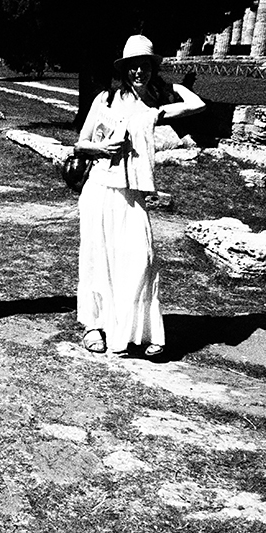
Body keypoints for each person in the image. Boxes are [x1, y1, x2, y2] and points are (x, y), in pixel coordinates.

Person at [74, 35, 205, 357]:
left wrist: (171, 83)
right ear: (124, 69)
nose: (139, 73)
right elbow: (80, 143)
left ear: (151, 70)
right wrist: (101, 148)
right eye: (133, 67)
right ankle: (95, 326)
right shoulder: (104, 100)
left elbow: (197, 105)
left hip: (133, 196)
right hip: (100, 189)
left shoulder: (154, 109)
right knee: (98, 259)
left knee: (141, 258)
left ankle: (139, 330)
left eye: (145, 67)